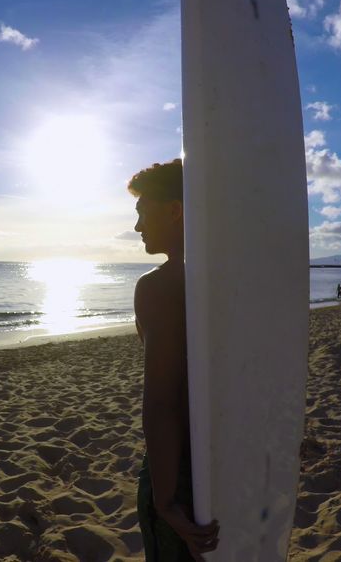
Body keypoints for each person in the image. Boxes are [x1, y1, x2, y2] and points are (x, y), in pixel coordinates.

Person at [128, 159, 220, 560]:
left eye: (142, 212)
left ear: (175, 210)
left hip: (177, 470)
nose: (137, 227)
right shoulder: (228, 279)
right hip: (225, 456)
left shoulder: (158, 287)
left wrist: (164, 501)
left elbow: (162, 400)